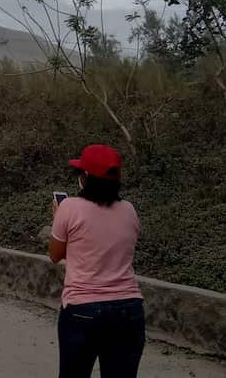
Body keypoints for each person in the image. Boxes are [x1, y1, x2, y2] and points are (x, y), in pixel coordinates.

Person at [49, 144, 144, 378]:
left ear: (86, 177)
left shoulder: (68, 207)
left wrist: (57, 217)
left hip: (83, 310)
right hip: (129, 309)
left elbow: (55, 254)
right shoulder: (129, 209)